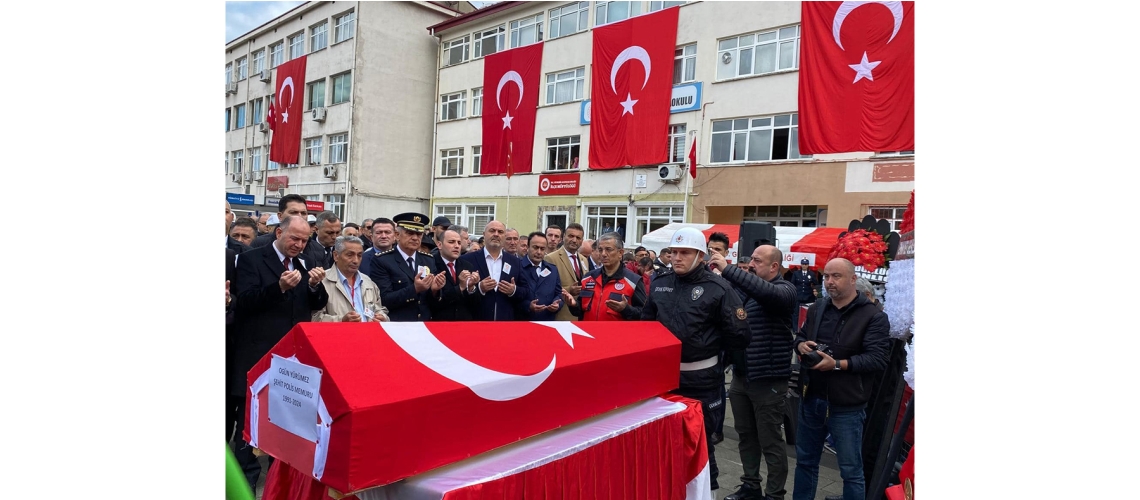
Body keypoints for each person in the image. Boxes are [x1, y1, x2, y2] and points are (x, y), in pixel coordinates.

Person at [641, 227, 751, 493]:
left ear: (701, 255)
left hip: (702, 383)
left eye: (685, 252)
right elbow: (646, 325)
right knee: (663, 444)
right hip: (664, 382)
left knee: (701, 445)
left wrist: (716, 360)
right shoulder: (660, 283)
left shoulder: (719, 288)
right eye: (673, 252)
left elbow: (739, 335)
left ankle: (707, 494)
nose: (677, 257)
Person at [230, 215, 329, 489]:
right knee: (251, 437)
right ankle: (244, 491)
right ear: (278, 233)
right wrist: (279, 288)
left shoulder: (304, 263)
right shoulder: (252, 259)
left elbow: (316, 304)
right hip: (258, 361)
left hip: (292, 364)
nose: (298, 245)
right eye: (294, 238)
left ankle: (277, 489)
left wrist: (313, 285)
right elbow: (245, 303)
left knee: (284, 438)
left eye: (304, 240)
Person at [792, 258, 890, 500]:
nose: (829, 282)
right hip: (812, 397)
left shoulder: (873, 316)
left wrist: (836, 365)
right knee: (805, 462)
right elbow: (800, 337)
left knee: (850, 471)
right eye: (826, 276)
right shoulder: (817, 308)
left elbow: (877, 360)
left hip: (846, 405)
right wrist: (801, 345)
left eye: (836, 276)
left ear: (853, 279)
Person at [711, 245, 799, 500]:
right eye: (750, 260)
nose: (750, 265)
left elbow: (765, 292)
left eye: (757, 261)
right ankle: (751, 485)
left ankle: (774, 494)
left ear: (774, 266)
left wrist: (728, 269)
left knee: (770, 441)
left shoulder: (785, 291)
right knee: (746, 436)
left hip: (768, 380)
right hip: (742, 375)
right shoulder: (749, 290)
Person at [369, 212, 444, 321]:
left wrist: (435, 290)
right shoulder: (382, 260)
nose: (415, 238)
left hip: (424, 324)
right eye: (410, 233)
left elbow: (432, 303)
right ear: (397, 235)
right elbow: (384, 300)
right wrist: (414, 289)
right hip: (398, 325)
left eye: (419, 234)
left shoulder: (428, 259)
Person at [560, 232, 646, 322]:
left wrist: (625, 309)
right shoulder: (588, 278)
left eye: (608, 249)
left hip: (616, 334)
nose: (603, 254)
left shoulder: (633, 281)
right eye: (600, 250)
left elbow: (644, 315)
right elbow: (580, 312)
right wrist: (573, 305)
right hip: (589, 333)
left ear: (620, 253)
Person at [459, 220, 528, 321]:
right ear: (484, 234)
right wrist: (479, 288)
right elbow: (459, 293)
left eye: (500, 232)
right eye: (492, 231)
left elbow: (526, 290)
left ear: (504, 236)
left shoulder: (515, 262)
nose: (496, 234)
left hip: (505, 324)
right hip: (476, 323)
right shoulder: (467, 260)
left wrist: (513, 291)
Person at [312, 235, 389, 322]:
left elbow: (379, 309)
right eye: (350, 255)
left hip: (367, 334)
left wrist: (382, 317)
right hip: (340, 335)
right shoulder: (322, 281)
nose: (356, 260)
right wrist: (341, 320)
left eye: (359, 255)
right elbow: (314, 318)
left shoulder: (367, 281)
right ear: (336, 256)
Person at [430, 228, 482, 321]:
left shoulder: (467, 265)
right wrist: (460, 287)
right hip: (439, 324)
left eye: (459, 242)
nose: (457, 246)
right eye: (451, 242)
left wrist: (471, 288)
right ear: (439, 245)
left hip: (463, 325)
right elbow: (433, 302)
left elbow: (475, 304)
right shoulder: (431, 263)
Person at [545, 223, 589, 322]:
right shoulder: (550, 258)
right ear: (564, 237)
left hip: (581, 316)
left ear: (582, 241)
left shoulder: (584, 260)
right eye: (571, 236)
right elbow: (546, 289)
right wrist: (569, 290)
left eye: (578, 237)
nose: (574, 240)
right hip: (562, 316)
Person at [518, 232, 563, 321]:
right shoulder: (518, 267)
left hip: (547, 321)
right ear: (527, 247)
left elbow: (559, 293)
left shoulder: (552, 269)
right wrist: (528, 306)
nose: (539, 252)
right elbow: (512, 297)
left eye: (542, 249)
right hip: (524, 321)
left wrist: (557, 304)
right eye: (535, 247)